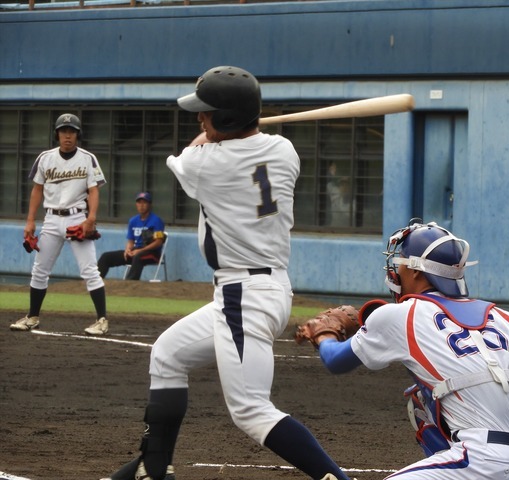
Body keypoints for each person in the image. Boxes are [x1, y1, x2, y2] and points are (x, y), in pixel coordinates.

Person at [101, 66, 350, 480]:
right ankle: (155, 466)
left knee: (251, 410)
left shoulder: (205, 163)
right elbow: (226, 140)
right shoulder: (284, 151)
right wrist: (233, 128)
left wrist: (220, 133)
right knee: (167, 354)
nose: (200, 119)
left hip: (244, 294)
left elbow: (194, 150)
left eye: (207, 113)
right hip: (256, 288)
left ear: (229, 119)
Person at [306, 220, 509, 480]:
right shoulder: (505, 316)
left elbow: (336, 360)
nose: (397, 270)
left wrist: (324, 334)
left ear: (417, 271)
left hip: (484, 460)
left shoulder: (402, 314)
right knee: (421, 397)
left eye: (403, 262)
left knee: (423, 401)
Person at [10, 113, 109, 336]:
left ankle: (102, 320)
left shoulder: (87, 158)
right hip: (52, 219)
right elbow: (37, 190)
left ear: (77, 135)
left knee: (89, 270)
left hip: (77, 218)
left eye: (72, 131)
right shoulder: (45, 158)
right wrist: (29, 221)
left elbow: (94, 190)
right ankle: (32, 316)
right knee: (40, 270)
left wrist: (91, 218)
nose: (67, 135)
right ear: (57, 134)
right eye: (64, 131)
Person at [98, 192, 165, 280]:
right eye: (139, 202)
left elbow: (158, 242)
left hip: (152, 253)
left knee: (138, 256)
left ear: (149, 204)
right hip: (136, 251)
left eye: (144, 202)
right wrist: (128, 250)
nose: (141, 205)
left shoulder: (156, 221)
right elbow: (130, 241)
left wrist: (140, 250)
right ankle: (95, 283)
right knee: (106, 257)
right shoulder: (133, 221)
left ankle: (130, 284)